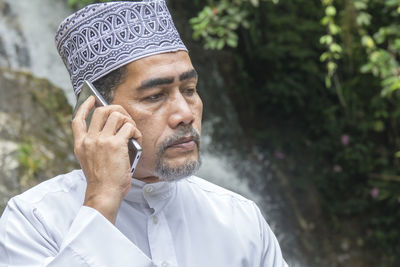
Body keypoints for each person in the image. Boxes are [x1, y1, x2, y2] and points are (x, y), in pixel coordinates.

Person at [0, 1, 288, 266]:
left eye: (189, 91)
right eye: (154, 96)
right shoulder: (34, 220)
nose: (185, 114)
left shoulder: (240, 219)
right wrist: (102, 201)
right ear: (96, 112)